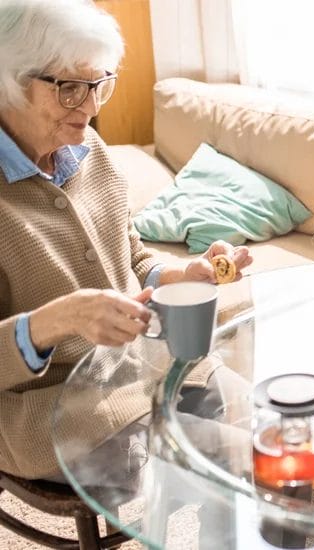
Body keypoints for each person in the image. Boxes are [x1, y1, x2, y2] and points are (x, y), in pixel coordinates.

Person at [0, 0, 252, 480]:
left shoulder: (89, 150)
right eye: (70, 89)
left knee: (263, 416)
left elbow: (130, 257)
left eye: (98, 86)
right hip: (51, 410)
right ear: (9, 80)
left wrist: (182, 274)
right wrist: (56, 321)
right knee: (251, 461)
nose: (92, 109)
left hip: (144, 366)